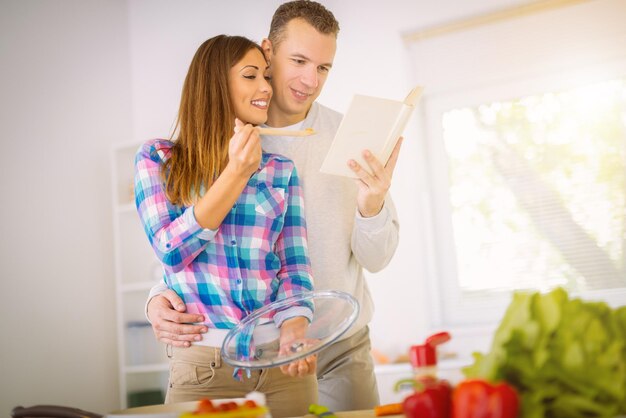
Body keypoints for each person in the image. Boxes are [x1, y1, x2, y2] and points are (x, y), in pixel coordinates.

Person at [146, 1, 401, 412]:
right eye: (298, 60)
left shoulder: (351, 136)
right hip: (252, 346)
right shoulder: (217, 145)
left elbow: (377, 258)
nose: (310, 80)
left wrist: (371, 206)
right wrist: (158, 296)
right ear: (267, 51)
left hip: (339, 344)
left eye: (323, 68)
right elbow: (188, 245)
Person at [134, 34, 318, 418]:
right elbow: (171, 250)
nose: (266, 87)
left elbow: (294, 268)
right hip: (204, 369)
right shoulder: (158, 159)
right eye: (251, 76)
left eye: (266, 76)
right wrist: (236, 172)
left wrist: (295, 330)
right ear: (214, 84)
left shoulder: (280, 171)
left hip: (283, 367)